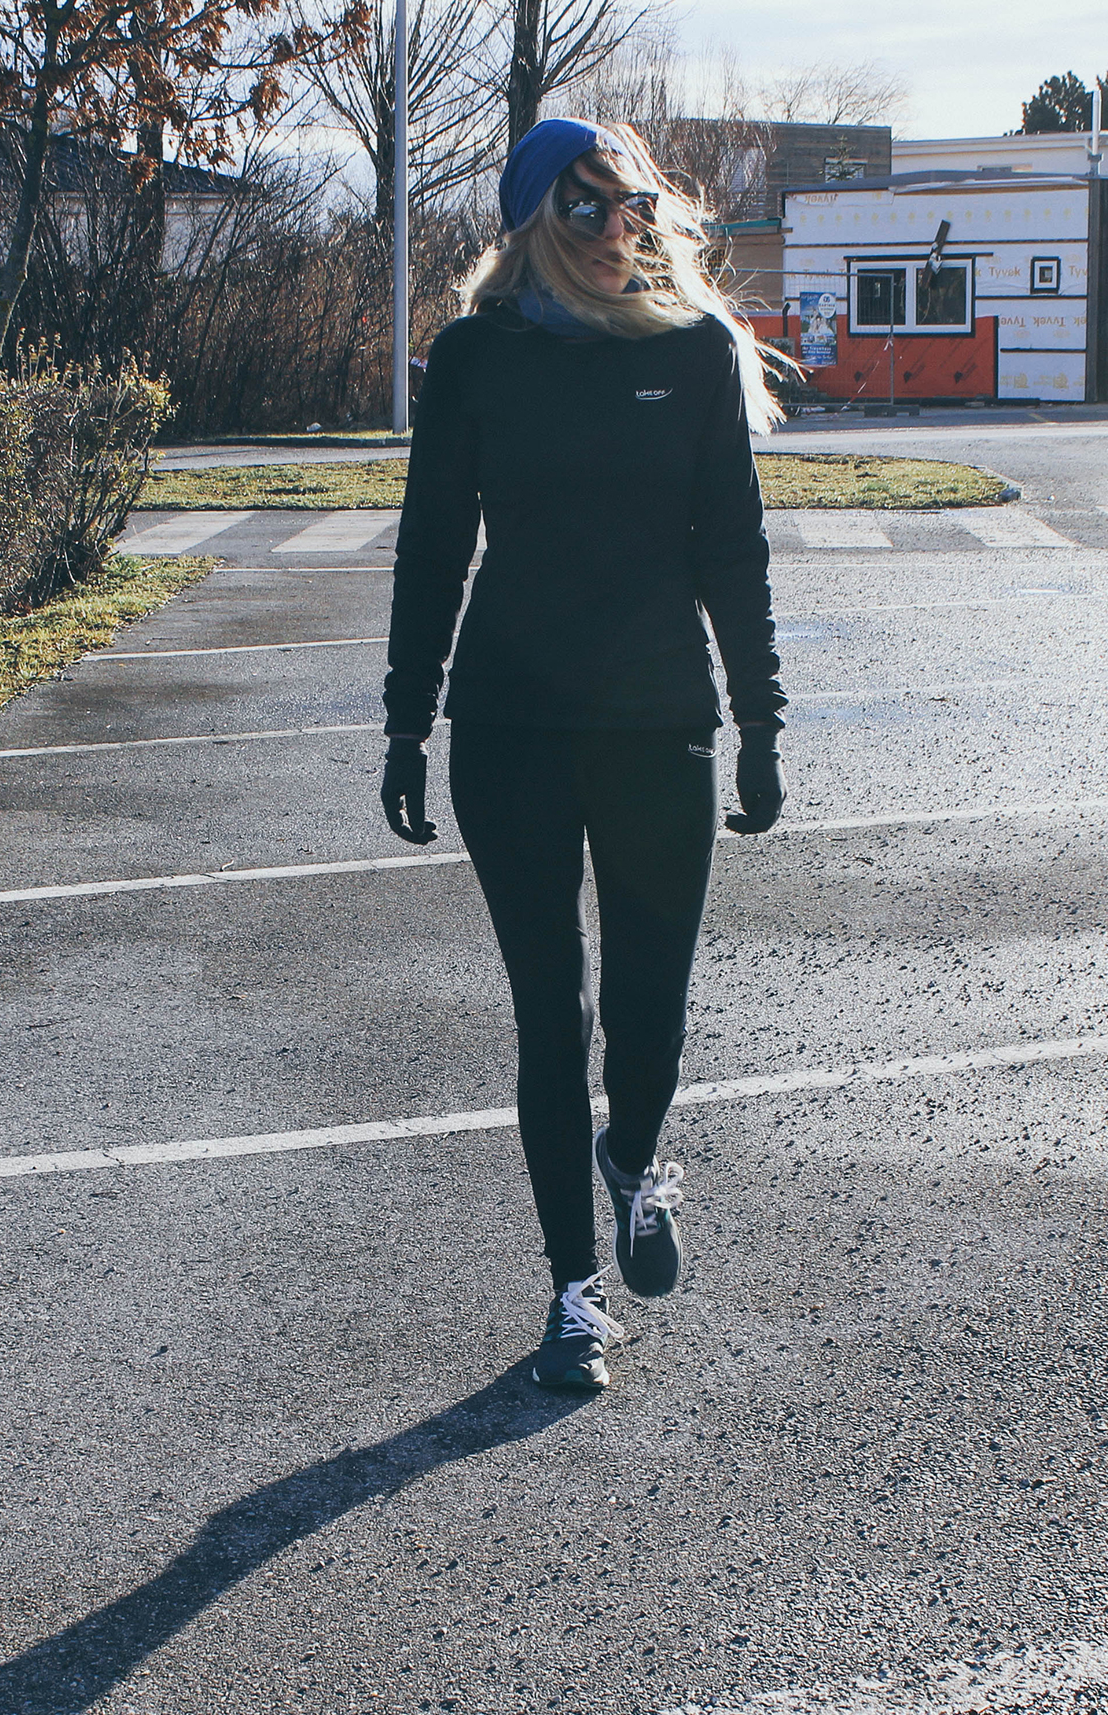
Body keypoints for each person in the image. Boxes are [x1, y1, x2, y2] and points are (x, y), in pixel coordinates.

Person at [377, 117, 793, 1392]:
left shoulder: (695, 353)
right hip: (510, 729)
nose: (627, 230)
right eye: (594, 209)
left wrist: (763, 721)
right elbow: (435, 542)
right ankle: (572, 1288)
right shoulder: (476, 358)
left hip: (658, 721)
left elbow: (733, 547)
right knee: (549, 1017)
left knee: (648, 1013)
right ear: (532, 225)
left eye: (639, 208)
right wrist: (406, 717)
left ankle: (634, 1154)